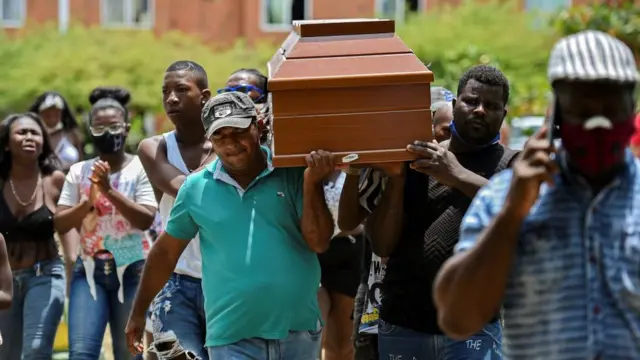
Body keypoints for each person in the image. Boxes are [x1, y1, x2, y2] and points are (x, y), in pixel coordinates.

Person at [434, 30, 640, 360]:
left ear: (631, 111)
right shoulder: (504, 197)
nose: (598, 124)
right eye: (582, 109)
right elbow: (458, 319)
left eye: (610, 107)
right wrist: (513, 214)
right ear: (556, 115)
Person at [126, 91, 336, 360]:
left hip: (298, 330)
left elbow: (319, 241)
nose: (230, 144)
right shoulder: (196, 187)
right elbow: (166, 252)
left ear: (257, 127)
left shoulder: (291, 172)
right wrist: (138, 312)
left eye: (237, 132)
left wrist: (311, 181)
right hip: (231, 337)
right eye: (219, 136)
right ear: (209, 140)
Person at [358, 65, 517, 360]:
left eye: (491, 105)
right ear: (455, 106)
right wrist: (396, 178)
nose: (480, 110)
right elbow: (381, 245)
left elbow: (519, 211)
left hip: (475, 329)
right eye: (471, 101)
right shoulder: (417, 161)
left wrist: (456, 175)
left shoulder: (511, 166)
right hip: (404, 325)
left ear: (503, 115)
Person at [55, 87, 157, 360]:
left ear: (126, 126)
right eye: (99, 127)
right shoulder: (79, 171)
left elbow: (146, 218)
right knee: (82, 353)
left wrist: (109, 191)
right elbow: (60, 222)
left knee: (129, 353)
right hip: (88, 272)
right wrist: (89, 200)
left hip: (134, 271)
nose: (107, 133)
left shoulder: (140, 167)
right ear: (89, 129)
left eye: (113, 126)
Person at [137, 60, 212, 360]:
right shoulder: (153, 147)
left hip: (225, 278)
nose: (171, 98)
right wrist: (222, 146)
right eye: (165, 91)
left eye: (182, 89)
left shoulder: (228, 144)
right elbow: (187, 191)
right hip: (176, 280)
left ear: (206, 96)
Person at [0, 113, 69, 359]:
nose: (29, 137)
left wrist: (74, 272)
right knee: (6, 353)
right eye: (22, 132)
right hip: (4, 282)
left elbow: (68, 229)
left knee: (37, 349)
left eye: (35, 133)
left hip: (45, 274)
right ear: (7, 143)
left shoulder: (55, 180)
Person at [316, 169, 364, 360]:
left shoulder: (355, 163)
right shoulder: (301, 162)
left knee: (345, 339)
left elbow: (367, 214)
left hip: (348, 255)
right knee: (320, 336)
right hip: (314, 255)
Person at [29, 92, 83, 172]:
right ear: (39, 113)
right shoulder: (30, 136)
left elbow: (80, 165)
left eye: (56, 112)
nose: (52, 117)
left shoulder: (72, 135)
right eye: (47, 112)